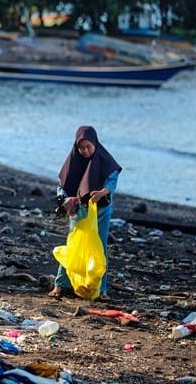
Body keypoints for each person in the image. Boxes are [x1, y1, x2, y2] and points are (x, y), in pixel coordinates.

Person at [49, 126, 121, 301]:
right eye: (82, 148)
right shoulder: (73, 161)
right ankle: (60, 285)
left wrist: (102, 192)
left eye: (89, 147)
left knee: (99, 247)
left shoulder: (105, 160)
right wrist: (64, 200)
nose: (85, 151)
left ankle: (101, 289)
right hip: (79, 210)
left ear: (95, 143)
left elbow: (112, 180)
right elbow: (63, 186)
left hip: (101, 210)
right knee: (73, 246)